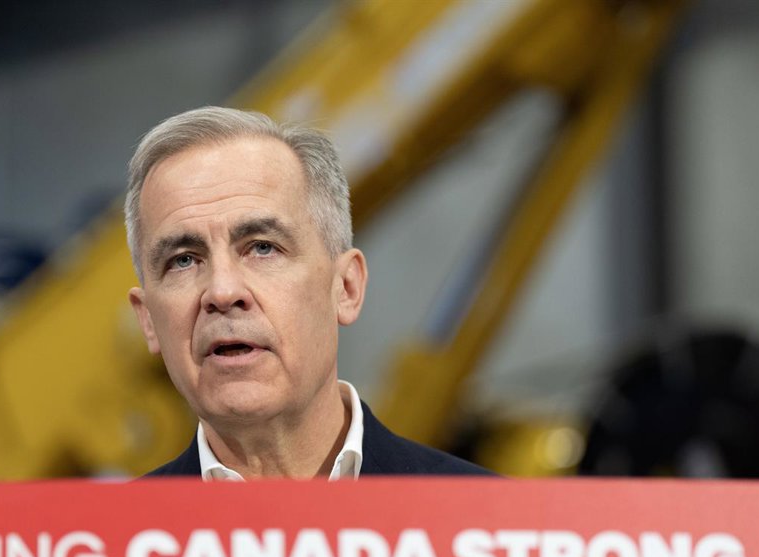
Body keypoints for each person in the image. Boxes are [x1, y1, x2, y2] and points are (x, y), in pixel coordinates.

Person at [125, 106, 489, 479]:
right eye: (183, 260)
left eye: (263, 247)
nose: (222, 291)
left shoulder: (486, 512)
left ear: (346, 287)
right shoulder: (115, 520)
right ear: (148, 320)